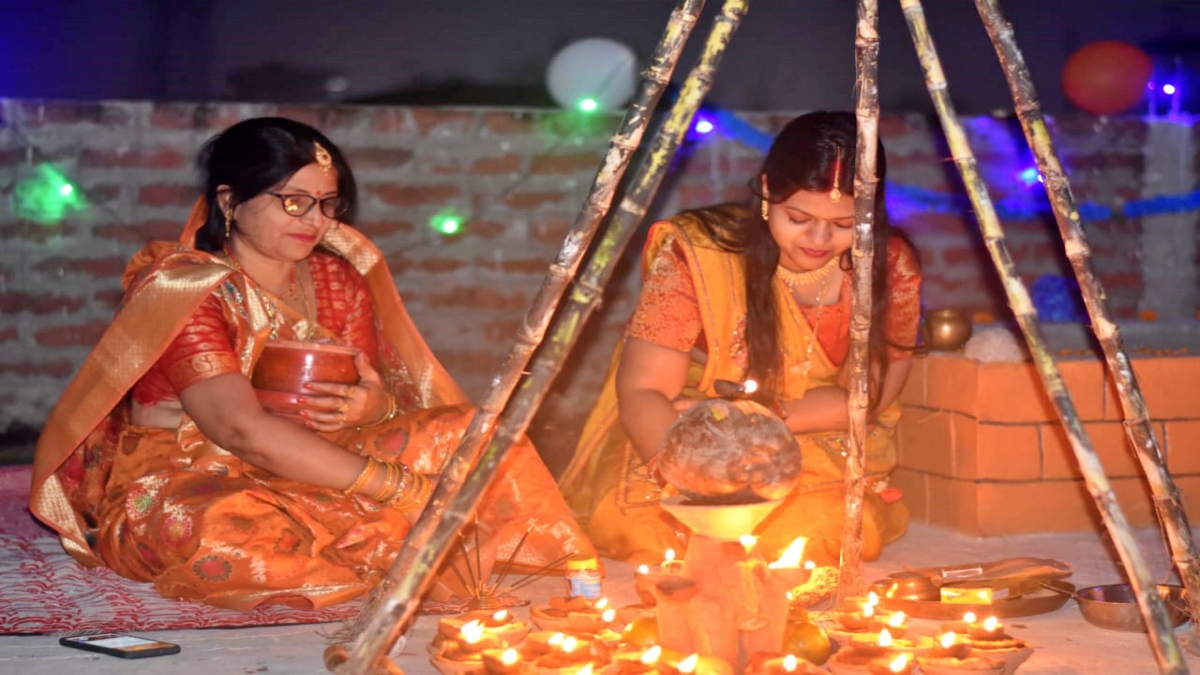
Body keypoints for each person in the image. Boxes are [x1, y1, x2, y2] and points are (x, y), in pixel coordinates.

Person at [29, 117, 593, 611]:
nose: (315, 219)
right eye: (293, 200)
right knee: (225, 535)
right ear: (230, 201)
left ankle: (406, 539)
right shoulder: (185, 287)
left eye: (327, 203)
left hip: (322, 460)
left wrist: (375, 405)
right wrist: (404, 488)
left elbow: (363, 403)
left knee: (481, 433)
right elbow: (238, 430)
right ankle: (406, 540)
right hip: (194, 477)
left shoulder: (335, 278)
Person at [558, 111, 922, 566]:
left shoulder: (887, 266)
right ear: (768, 191)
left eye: (845, 224)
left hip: (807, 426)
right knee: (644, 523)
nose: (819, 238)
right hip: (693, 422)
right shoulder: (700, 253)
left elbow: (864, 400)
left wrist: (759, 421)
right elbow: (644, 391)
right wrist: (690, 474)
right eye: (799, 217)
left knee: (822, 523)